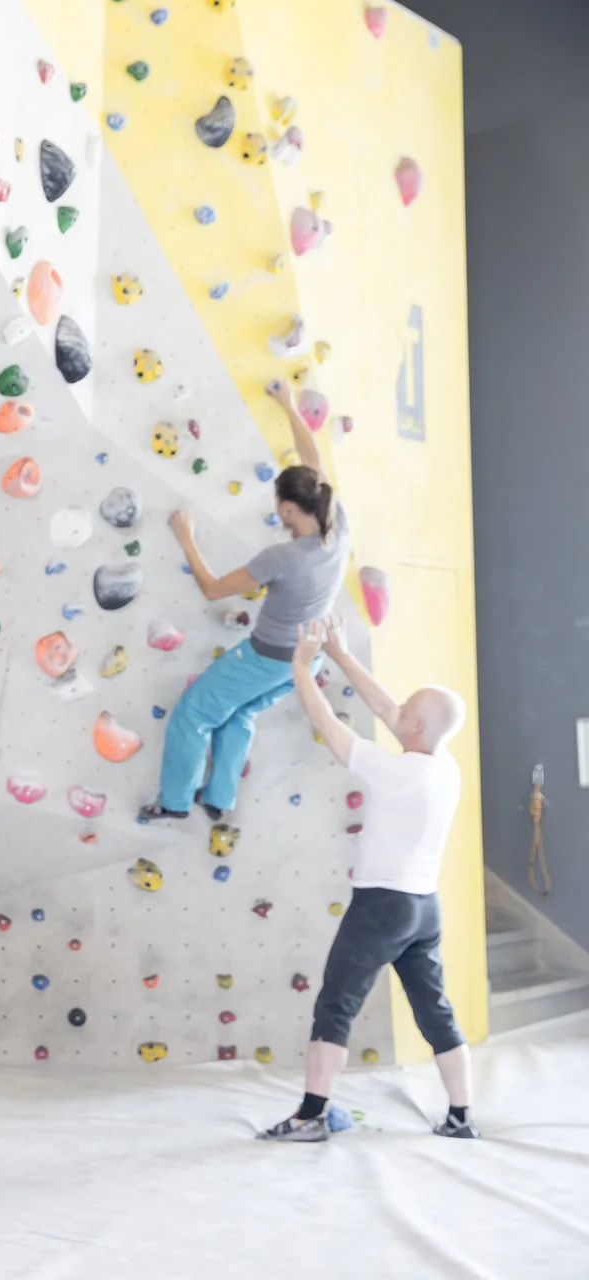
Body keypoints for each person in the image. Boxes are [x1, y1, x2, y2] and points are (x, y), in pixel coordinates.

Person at [257, 617, 475, 1142]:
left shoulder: (396, 772)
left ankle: (310, 1115)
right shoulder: (444, 767)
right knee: (435, 1011)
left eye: (407, 710)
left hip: (381, 907)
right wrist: (343, 654)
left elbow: (327, 723)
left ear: (416, 725)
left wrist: (302, 665)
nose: (396, 710)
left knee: (335, 1005)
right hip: (424, 908)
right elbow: (392, 712)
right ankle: (462, 1116)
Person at [139, 380, 351, 824]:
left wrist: (187, 539)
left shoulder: (284, 557)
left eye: (279, 504)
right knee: (238, 713)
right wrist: (288, 405)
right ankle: (219, 796)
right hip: (305, 660)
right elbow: (313, 460)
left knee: (194, 713)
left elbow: (214, 589)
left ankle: (175, 801)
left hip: (267, 658)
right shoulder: (337, 524)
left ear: (290, 509)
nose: (277, 510)